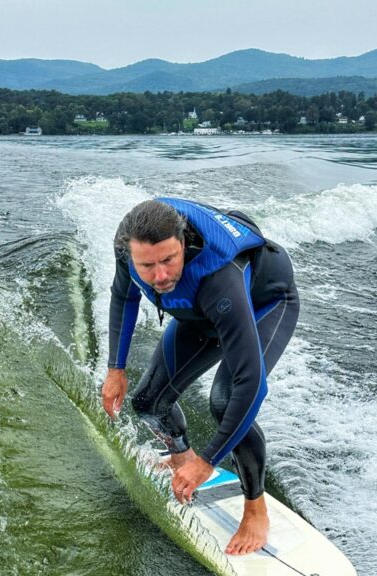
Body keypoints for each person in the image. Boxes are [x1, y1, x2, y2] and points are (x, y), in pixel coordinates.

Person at [101, 198, 299, 555]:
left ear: (184, 243)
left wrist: (208, 463)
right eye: (148, 265)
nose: (160, 275)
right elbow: (124, 297)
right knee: (148, 402)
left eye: (169, 260)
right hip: (201, 315)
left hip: (263, 304)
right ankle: (179, 459)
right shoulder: (126, 248)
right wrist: (116, 369)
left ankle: (256, 507)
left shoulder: (219, 277)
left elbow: (251, 386)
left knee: (225, 402)